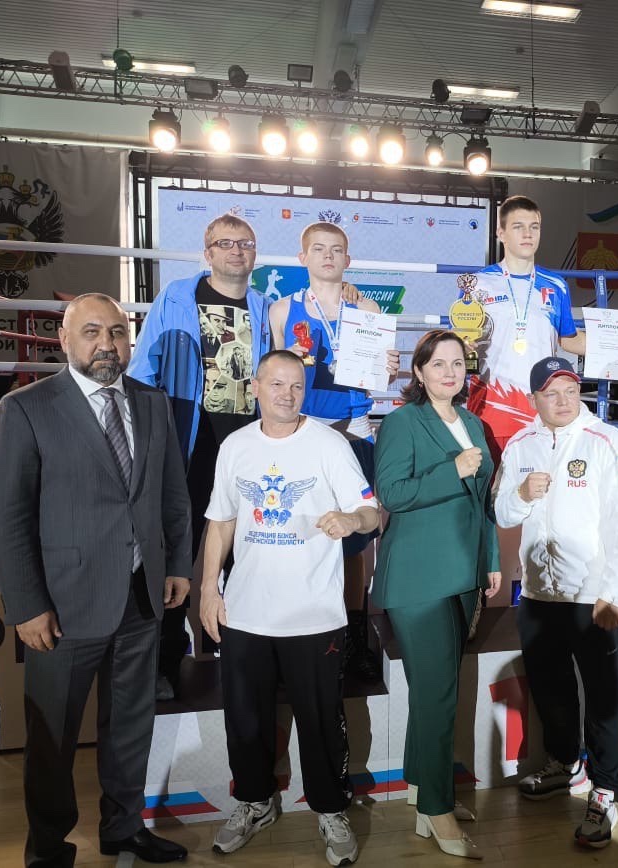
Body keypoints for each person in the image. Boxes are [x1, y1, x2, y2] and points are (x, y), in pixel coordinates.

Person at [0, 293, 191, 867]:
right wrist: (26, 605)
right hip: (62, 607)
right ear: (64, 340)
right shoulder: (26, 408)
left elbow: (173, 494)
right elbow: (6, 517)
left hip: (141, 597)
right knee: (53, 737)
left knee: (130, 728)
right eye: (92, 331)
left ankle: (123, 829)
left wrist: (177, 564)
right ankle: (49, 848)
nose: (107, 344)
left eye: (117, 332)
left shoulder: (153, 403)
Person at [198, 350, 378, 865]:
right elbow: (220, 521)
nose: (287, 394)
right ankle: (254, 803)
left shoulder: (328, 444)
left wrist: (352, 521)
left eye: (296, 385)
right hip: (246, 613)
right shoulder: (235, 446)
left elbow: (371, 510)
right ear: (255, 387)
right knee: (245, 721)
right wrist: (209, 588)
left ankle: (330, 809)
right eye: (276, 384)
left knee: (320, 722)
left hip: (313, 615)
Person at [495, 356, 618, 848]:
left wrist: (615, 594)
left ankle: (605, 791)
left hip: (593, 597)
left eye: (569, 390)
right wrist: (522, 494)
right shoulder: (520, 444)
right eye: (551, 393)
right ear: (534, 398)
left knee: (604, 699)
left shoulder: (608, 442)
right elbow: (502, 512)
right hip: (538, 595)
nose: (562, 400)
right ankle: (566, 763)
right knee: (551, 688)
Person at [128, 213, 271, 700]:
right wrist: (149, 442)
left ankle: (243, 657)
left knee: (245, 556)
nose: (236, 250)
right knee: (177, 555)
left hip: (245, 451)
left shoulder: (263, 307)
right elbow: (143, 371)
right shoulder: (175, 298)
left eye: (244, 243)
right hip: (187, 448)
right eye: (225, 243)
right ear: (207, 252)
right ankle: (163, 663)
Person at [372, 330, 502, 860]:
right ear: (419, 372)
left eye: (458, 364)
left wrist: (491, 559)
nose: (450, 372)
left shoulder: (473, 423)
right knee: (438, 695)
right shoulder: (403, 422)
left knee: (435, 689)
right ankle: (438, 807)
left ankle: (421, 789)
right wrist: (451, 470)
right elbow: (391, 493)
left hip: (464, 574)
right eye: (439, 364)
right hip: (417, 578)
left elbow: (483, 501)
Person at [273, 221, 400, 682]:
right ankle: (298, 635)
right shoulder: (282, 309)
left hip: (353, 430)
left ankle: (352, 639)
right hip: (305, 431)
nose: (328, 256)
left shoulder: (365, 307)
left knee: (355, 541)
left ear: (348, 258)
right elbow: (273, 376)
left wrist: (390, 367)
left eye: (336, 250)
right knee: (299, 534)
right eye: (319, 249)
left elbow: (382, 376)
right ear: (302, 257)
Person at [462, 195, 618, 458]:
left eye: (534, 227)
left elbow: (569, 339)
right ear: (501, 233)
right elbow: (464, 342)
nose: (528, 234)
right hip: (491, 406)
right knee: (493, 481)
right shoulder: (477, 284)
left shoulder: (556, 285)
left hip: (541, 409)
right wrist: (463, 350)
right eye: (518, 227)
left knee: (542, 480)